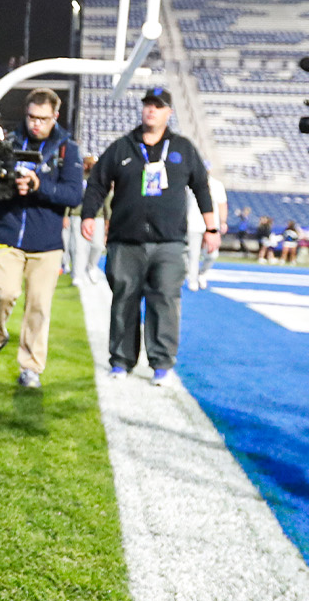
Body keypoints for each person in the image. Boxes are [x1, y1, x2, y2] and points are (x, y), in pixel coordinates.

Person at [79, 86, 218, 385]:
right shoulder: (122, 147)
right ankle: (121, 360)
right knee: (124, 301)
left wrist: (212, 227)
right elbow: (97, 184)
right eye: (148, 105)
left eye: (158, 106)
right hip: (125, 241)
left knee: (165, 301)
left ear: (169, 112)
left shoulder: (182, 148)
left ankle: (162, 364)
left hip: (169, 242)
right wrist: (88, 215)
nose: (151, 110)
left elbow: (202, 187)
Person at [0, 88, 84, 389]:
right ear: (26, 113)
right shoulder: (7, 141)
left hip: (46, 244)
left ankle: (31, 367)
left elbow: (74, 194)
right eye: (32, 117)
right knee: (3, 292)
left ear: (55, 116)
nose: (36, 123)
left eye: (43, 118)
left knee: (38, 307)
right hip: (7, 233)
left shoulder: (67, 149)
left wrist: (38, 185)